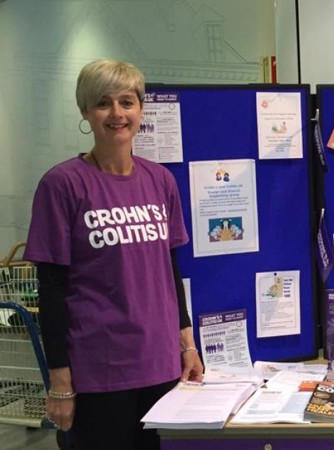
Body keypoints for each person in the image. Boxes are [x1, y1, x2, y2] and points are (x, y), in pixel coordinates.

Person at [23, 59, 204, 450]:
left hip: (160, 366)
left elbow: (169, 270)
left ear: (141, 109)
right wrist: (59, 381)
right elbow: (51, 289)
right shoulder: (63, 184)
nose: (117, 113)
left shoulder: (161, 180)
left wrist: (187, 345)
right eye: (103, 103)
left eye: (127, 101)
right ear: (85, 111)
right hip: (99, 373)